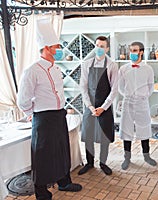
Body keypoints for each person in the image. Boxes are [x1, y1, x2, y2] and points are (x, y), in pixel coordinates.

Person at [17, 18, 82, 200]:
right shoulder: (32, 71)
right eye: (56, 46)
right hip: (43, 118)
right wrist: (32, 114)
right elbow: (23, 100)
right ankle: (42, 192)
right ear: (46, 48)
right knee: (42, 155)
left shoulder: (56, 69)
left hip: (59, 115)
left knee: (62, 149)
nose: (59, 50)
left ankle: (64, 182)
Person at [78, 36, 118, 176]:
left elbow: (114, 90)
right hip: (90, 107)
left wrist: (103, 107)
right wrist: (89, 106)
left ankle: (103, 163)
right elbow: (83, 87)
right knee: (88, 135)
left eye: (102, 46)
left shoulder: (112, 65)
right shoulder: (86, 64)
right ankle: (89, 163)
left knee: (104, 137)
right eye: (97, 45)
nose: (99, 49)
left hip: (104, 108)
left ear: (107, 49)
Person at [118, 41, 157, 170]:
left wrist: (144, 96)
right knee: (126, 129)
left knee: (144, 129)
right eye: (131, 50)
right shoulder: (123, 69)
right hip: (128, 102)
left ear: (141, 52)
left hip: (142, 102)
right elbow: (120, 87)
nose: (132, 53)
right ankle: (127, 157)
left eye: (135, 50)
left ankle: (146, 156)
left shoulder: (148, 68)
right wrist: (128, 95)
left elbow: (151, 86)